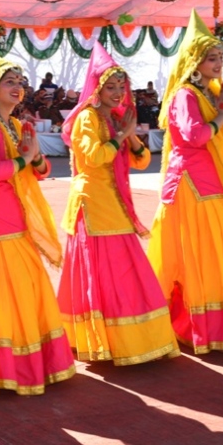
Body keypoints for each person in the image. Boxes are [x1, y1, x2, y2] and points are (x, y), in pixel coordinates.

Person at [0, 52, 74, 395]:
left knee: (25, 285)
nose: (18, 87)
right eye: (10, 82)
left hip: (13, 213)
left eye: (21, 82)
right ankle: (8, 367)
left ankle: (34, 362)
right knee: (7, 290)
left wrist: (34, 156)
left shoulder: (12, 124)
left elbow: (39, 171)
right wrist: (24, 158)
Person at [57, 44, 178, 366]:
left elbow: (140, 162)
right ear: (96, 88)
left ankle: (135, 339)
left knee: (125, 271)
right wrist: (120, 136)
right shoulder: (86, 117)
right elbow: (94, 158)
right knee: (109, 274)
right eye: (109, 87)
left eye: (121, 87)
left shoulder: (115, 117)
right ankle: (111, 342)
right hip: (94, 206)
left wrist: (130, 135)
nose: (116, 92)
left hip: (114, 204)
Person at [149, 11, 223, 354]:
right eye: (212, 58)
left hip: (213, 181)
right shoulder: (185, 95)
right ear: (195, 61)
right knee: (200, 255)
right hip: (192, 185)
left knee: (218, 253)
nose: (218, 63)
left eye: (221, 57)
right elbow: (194, 135)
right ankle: (195, 326)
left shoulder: (211, 93)